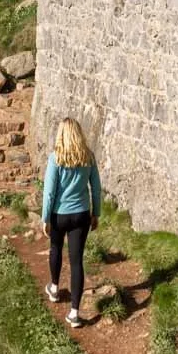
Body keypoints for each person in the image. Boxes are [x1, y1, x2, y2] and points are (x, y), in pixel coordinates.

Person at [41, 117, 102, 327]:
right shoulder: (89, 157)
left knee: (55, 248)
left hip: (59, 214)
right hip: (82, 214)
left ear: (61, 135)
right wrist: (96, 214)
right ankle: (75, 313)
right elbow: (96, 187)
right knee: (77, 262)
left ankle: (55, 289)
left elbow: (49, 192)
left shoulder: (55, 158)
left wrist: (45, 217)